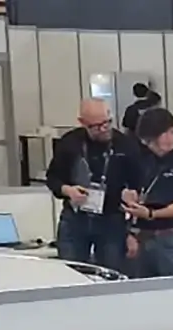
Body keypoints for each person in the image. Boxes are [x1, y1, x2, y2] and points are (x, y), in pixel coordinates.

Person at [45, 98, 128, 272]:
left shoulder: (124, 144)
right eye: (96, 126)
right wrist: (68, 190)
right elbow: (53, 177)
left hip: (111, 220)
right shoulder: (70, 143)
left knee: (111, 274)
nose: (104, 129)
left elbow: (137, 180)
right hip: (76, 219)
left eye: (107, 122)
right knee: (70, 273)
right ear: (82, 123)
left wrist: (130, 193)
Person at [120, 107, 173, 278]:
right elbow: (133, 185)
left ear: (171, 132)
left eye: (154, 140)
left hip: (172, 238)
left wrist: (152, 214)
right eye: (147, 142)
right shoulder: (145, 159)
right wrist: (128, 195)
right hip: (142, 236)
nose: (152, 146)